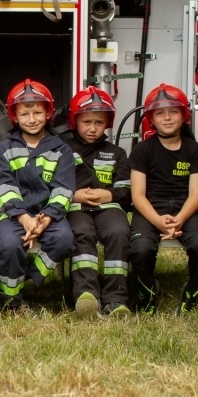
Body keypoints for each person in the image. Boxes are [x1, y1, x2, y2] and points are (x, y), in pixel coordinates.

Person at [128, 83, 198, 315]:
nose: (167, 118)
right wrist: (158, 221)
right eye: (160, 113)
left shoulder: (195, 150)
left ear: (184, 115)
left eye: (173, 111)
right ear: (151, 119)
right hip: (150, 210)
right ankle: (148, 293)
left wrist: (179, 220)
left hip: (185, 210)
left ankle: (193, 293)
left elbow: (196, 194)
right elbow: (137, 195)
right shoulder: (142, 150)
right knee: (140, 249)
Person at [0, 78, 75, 313]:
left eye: (37, 112)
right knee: (9, 246)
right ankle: (11, 302)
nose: (32, 119)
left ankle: (29, 276)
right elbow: (3, 186)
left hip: (49, 215)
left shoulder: (61, 149)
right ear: (14, 117)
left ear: (48, 113)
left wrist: (46, 219)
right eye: (24, 114)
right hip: (14, 215)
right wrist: (23, 218)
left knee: (64, 240)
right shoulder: (4, 148)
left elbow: (64, 189)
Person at [64, 87, 131, 318]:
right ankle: (86, 296)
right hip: (76, 208)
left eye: (99, 122)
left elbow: (126, 190)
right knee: (82, 233)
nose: (93, 128)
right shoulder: (63, 150)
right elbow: (53, 184)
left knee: (119, 231)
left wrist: (108, 195)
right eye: (87, 122)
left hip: (109, 208)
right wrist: (74, 195)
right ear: (74, 121)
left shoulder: (117, 153)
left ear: (107, 123)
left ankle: (116, 299)